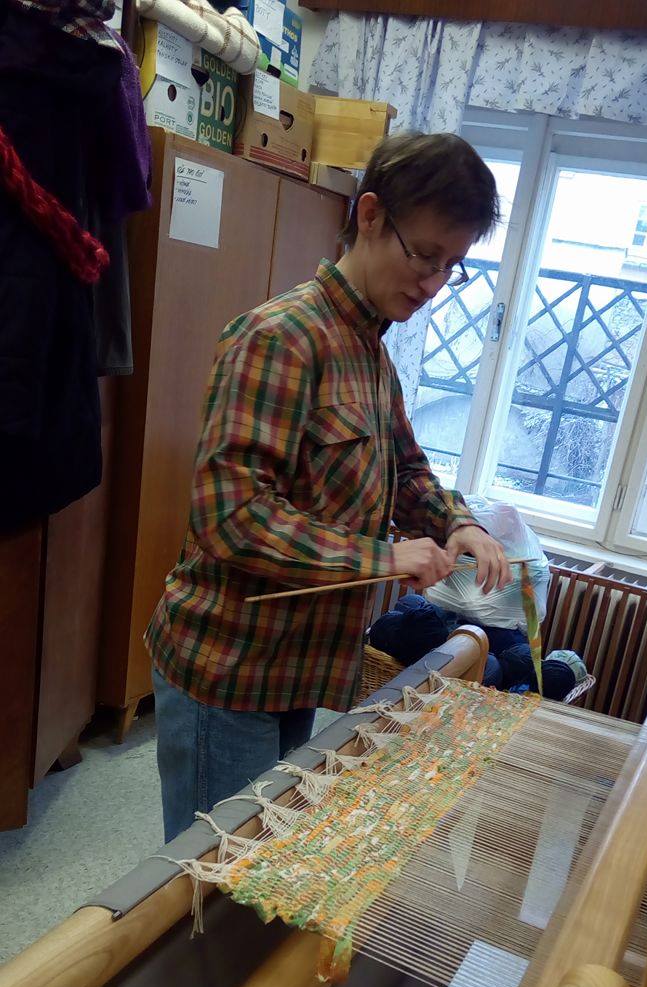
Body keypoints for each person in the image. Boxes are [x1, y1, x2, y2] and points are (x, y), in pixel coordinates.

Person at [145, 130, 511, 844]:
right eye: (424, 255)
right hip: (229, 667)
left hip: (297, 664)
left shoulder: (370, 354)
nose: (434, 283)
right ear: (370, 215)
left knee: (266, 858)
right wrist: (384, 557)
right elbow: (232, 516)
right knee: (214, 880)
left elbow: (406, 471)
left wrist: (456, 523)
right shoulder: (280, 338)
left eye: (453, 266)